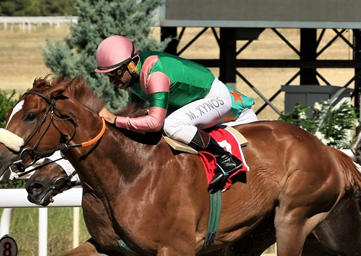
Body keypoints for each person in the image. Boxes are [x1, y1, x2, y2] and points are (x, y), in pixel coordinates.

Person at [94, 35, 258, 192]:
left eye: (116, 73)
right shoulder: (133, 76)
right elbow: (132, 115)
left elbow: (155, 122)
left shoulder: (155, 75)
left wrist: (115, 120)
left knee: (172, 125)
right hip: (191, 100)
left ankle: (225, 159)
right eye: (108, 75)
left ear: (132, 64)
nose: (112, 81)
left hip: (215, 97)